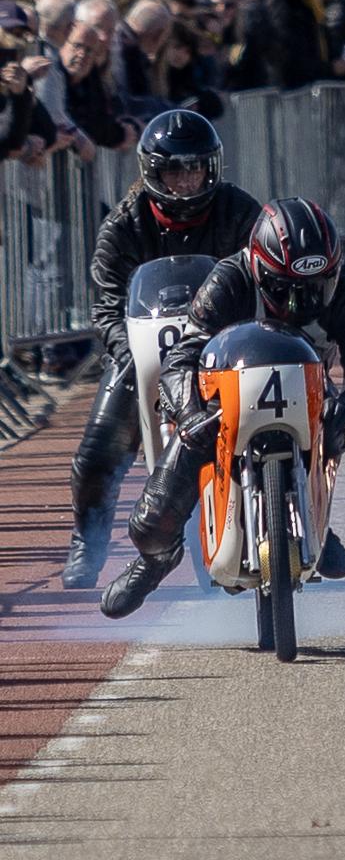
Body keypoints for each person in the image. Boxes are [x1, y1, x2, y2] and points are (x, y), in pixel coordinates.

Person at [99, 200, 345, 617]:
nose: (299, 303)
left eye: (314, 287)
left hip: (308, 389)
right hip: (224, 392)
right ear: (259, 268)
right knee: (154, 515)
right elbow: (183, 356)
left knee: (333, 422)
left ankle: (314, 525)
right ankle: (154, 561)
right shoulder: (230, 278)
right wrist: (189, 414)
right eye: (284, 289)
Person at [61, 112, 260, 587]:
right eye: (174, 170)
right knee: (97, 451)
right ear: (152, 171)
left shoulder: (239, 210)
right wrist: (129, 351)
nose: (187, 180)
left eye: (195, 168)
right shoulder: (123, 225)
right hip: (145, 355)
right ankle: (88, 538)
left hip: (222, 351)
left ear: (212, 168)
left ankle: (279, 523)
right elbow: (105, 305)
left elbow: (265, 272)